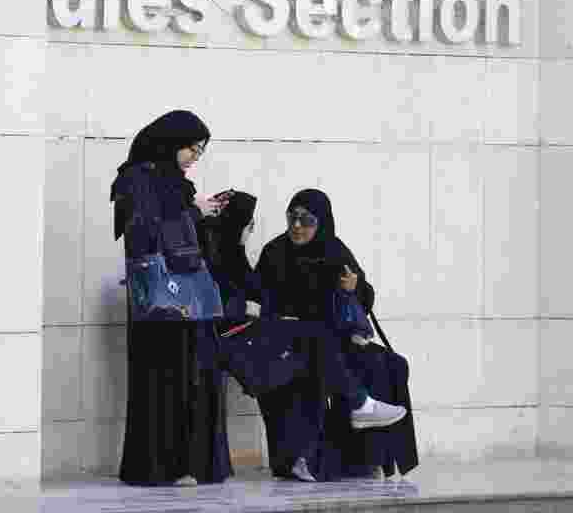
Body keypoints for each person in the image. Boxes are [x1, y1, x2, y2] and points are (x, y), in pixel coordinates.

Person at [111, 110, 233, 487]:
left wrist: (205, 214)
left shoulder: (175, 183)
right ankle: (164, 465)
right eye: (192, 147)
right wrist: (193, 213)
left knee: (196, 374)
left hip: (188, 297)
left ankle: (193, 463)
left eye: (201, 150)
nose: (196, 156)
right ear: (170, 142)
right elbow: (144, 233)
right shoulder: (136, 179)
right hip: (162, 299)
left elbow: (181, 231)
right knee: (166, 375)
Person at [255, 189, 406, 482]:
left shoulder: (333, 249)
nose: (297, 226)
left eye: (306, 220)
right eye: (292, 218)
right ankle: (313, 451)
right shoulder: (275, 252)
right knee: (315, 343)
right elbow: (258, 297)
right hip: (287, 339)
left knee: (388, 364)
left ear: (321, 222)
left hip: (333, 339)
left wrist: (354, 289)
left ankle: (371, 459)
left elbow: (365, 296)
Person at [199, 190, 263, 325]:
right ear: (238, 226)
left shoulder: (233, 255)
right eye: (250, 225)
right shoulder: (217, 262)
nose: (251, 230)